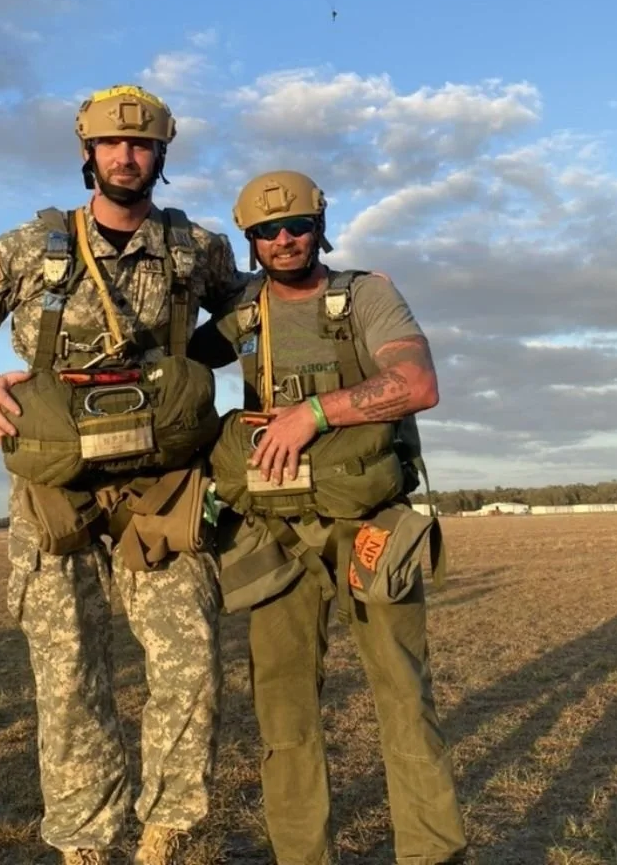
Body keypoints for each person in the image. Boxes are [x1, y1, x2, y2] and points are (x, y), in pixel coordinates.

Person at [0, 85, 246, 865]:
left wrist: (186, 369)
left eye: (141, 146)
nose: (126, 156)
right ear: (88, 153)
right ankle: (84, 844)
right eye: (111, 144)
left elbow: (255, 314)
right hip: (56, 487)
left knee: (190, 665)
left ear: (161, 157)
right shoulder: (30, 249)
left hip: (162, 487)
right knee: (69, 678)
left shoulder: (195, 249)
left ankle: (166, 830)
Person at [190, 170, 467, 865]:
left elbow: (417, 383)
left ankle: (432, 854)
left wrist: (312, 415)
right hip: (276, 537)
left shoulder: (365, 295)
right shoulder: (243, 311)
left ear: (320, 226)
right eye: (266, 232)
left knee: (404, 698)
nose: (284, 241)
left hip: (368, 524)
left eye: (297, 227)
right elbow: (173, 368)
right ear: (249, 243)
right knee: (284, 719)